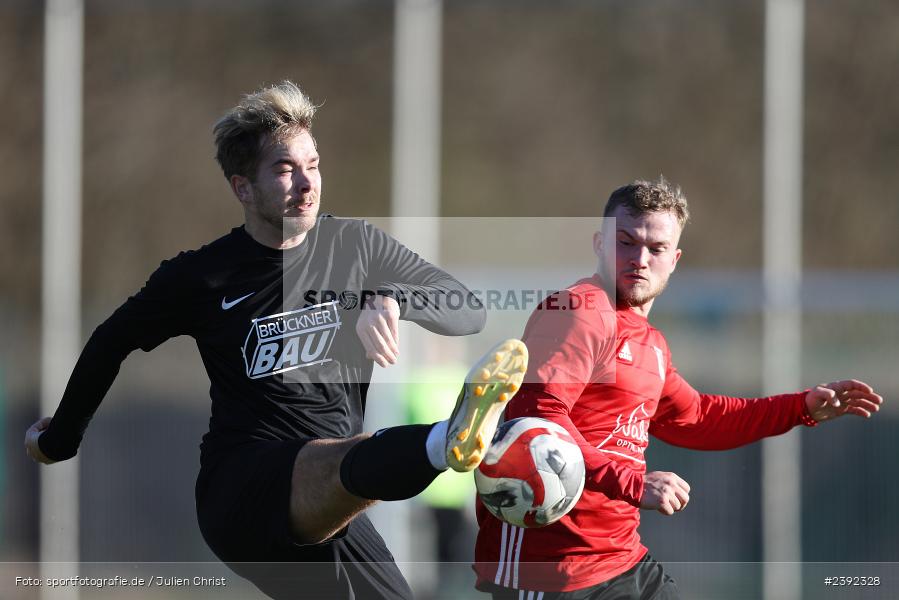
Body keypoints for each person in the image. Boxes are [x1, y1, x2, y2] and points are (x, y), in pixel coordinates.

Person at [24, 80, 529, 600]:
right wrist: (61, 438)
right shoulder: (203, 276)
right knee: (340, 462)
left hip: (335, 502)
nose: (307, 184)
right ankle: (445, 441)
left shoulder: (355, 246)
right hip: (244, 490)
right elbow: (110, 340)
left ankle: (441, 442)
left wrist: (393, 298)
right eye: (286, 170)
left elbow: (468, 309)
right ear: (243, 188)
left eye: (313, 165)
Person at [473, 177, 884, 599]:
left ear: (675, 259)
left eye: (656, 249)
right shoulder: (580, 311)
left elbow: (697, 417)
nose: (640, 259)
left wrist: (801, 407)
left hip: (620, 559)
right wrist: (634, 484)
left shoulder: (650, 342)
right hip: (552, 568)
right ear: (599, 244)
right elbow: (539, 420)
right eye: (626, 243)